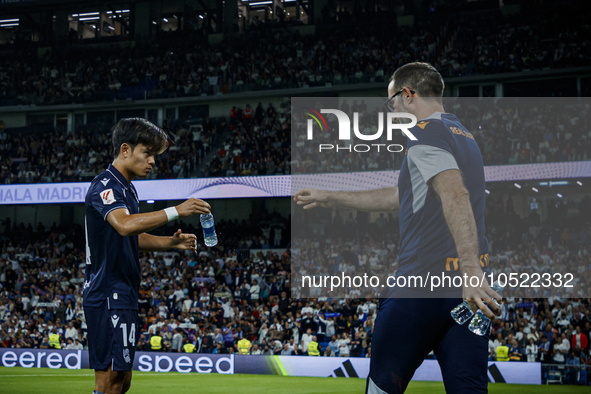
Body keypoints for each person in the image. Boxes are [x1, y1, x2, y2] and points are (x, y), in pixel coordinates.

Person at [294, 62, 501, 393]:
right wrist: (331, 196)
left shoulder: (424, 131)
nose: (390, 110)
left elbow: (454, 193)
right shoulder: (462, 134)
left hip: (423, 286)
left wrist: (470, 267)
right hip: (464, 297)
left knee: (381, 389)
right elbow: (400, 196)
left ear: (408, 95)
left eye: (390, 102)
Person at [83, 118, 211, 394]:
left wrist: (171, 243)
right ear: (126, 150)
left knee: (122, 382)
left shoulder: (128, 188)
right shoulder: (106, 185)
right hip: (106, 291)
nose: (152, 161)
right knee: (108, 382)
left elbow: (131, 236)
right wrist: (177, 210)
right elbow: (125, 225)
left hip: (123, 290)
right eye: (148, 153)